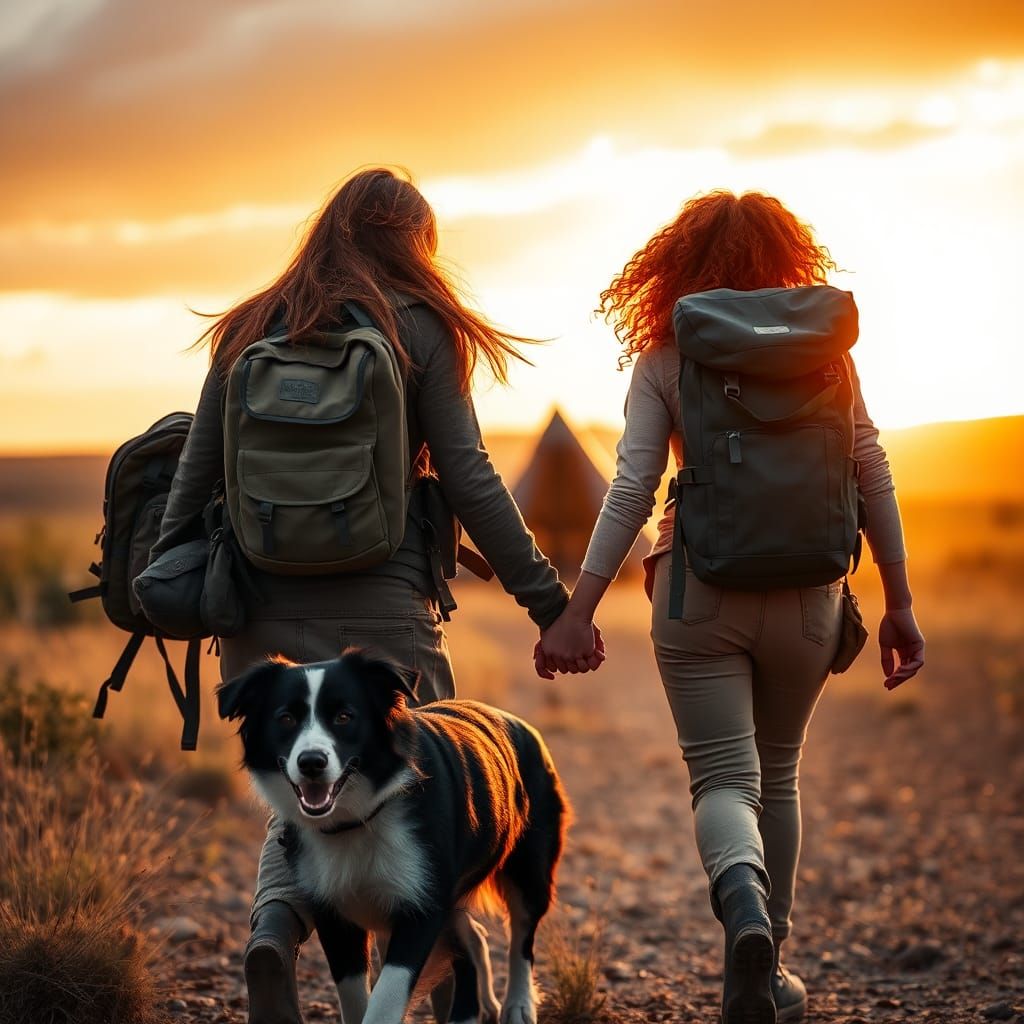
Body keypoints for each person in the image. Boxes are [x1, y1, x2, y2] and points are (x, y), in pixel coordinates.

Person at [152, 167, 602, 1024]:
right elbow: (469, 478)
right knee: (427, 805)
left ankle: (272, 934)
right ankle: (446, 1006)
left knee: (300, 799)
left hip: (257, 610)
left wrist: (167, 568)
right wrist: (554, 605)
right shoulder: (420, 327)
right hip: (385, 612)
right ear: (414, 245)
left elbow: (197, 467)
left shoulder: (250, 324)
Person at [537, 191, 925, 1023]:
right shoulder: (829, 354)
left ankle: (742, 903)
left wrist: (580, 607)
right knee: (776, 774)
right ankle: (765, 961)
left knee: (722, 777)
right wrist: (898, 601)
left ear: (672, 268)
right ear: (791, 261)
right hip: (810, 599)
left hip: (696, 593)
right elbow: (873, 472)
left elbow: (635, 487)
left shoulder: (667, 358)